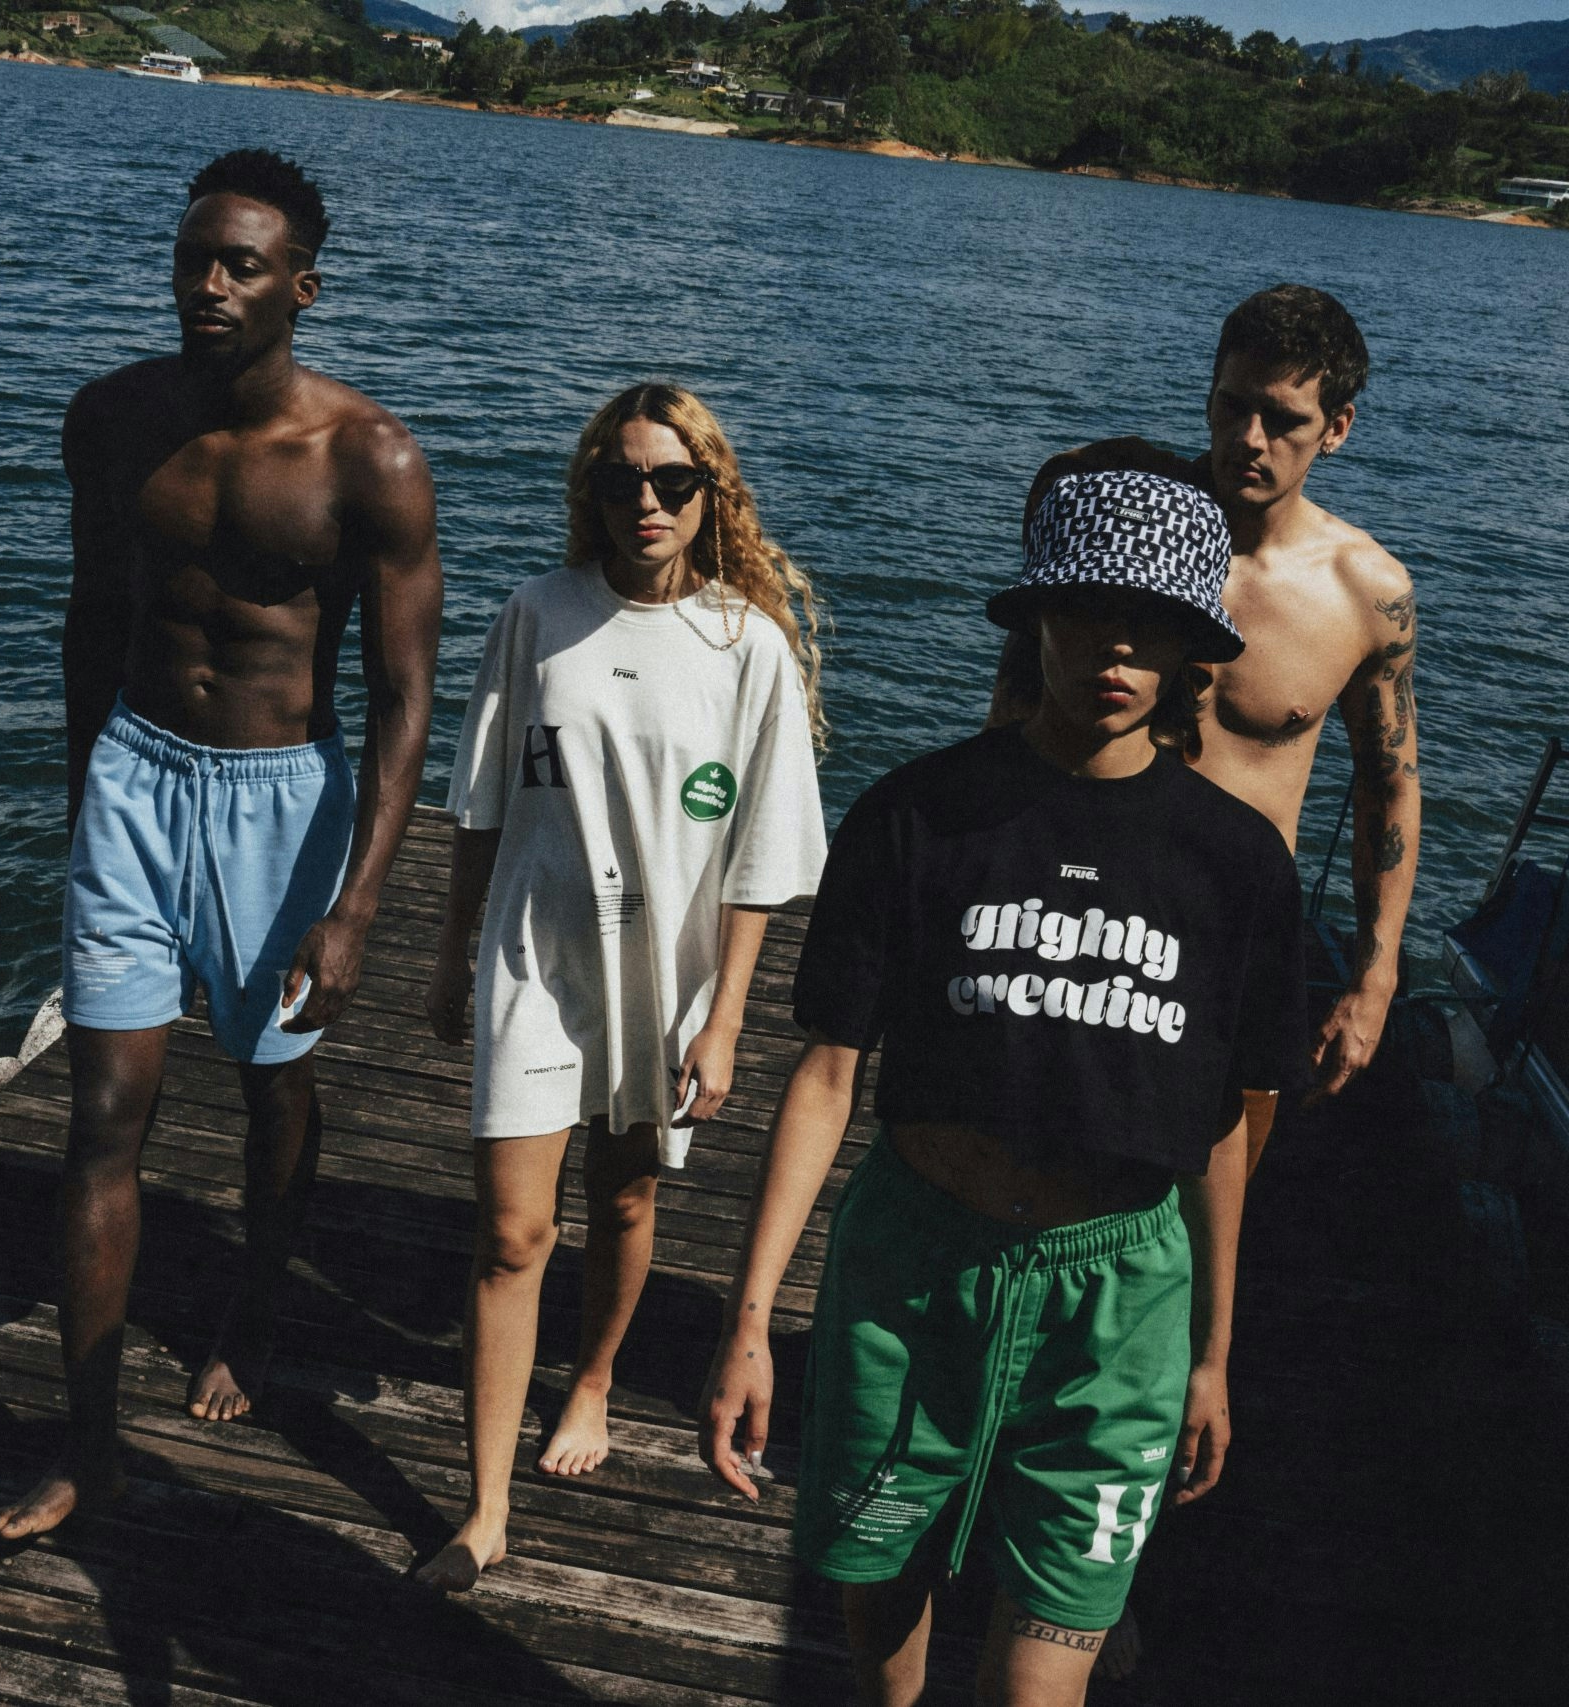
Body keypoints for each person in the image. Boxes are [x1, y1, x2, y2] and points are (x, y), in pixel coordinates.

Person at [704, 469, 1310, 1705]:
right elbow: (827, 1074)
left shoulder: (1236, 864)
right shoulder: (916, 815)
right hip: (912, 1274)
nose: (1116, 648)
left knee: (1040, 1682)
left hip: (1118, 1305)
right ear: (1036, 617)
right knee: (877, 1604)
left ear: (1194, 648)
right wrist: (750, 1320)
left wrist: (1212, 1351)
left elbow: (1228, 1124)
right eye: (1087, 610)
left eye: (1152, 623)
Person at [0, 149, 443, 1541]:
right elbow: (89, 616)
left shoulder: (368, 460)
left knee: (270, 1082)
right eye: (194, 257)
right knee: (102, 1113)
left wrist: (357, 904)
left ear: (302, 286)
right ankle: (90, 1445)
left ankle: (253, 1307)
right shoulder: (114, 421)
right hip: (134, 774)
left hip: (281, 799)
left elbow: (404, 696)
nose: (209, 284)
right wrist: (86, 794)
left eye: (242, 264)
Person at [417, 384, 827, 1591]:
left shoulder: (747, 645)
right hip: (533, 959)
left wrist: (727, 1016)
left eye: (671, 481)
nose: (645, 502)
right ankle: (485, 1509)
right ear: (590, 492)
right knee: (510, 1230)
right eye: (619, 480)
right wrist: (449, 949)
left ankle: (592, 1379)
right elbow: (481, 800)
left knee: (627, 1197)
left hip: (668, 973)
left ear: (710, 493)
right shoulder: (536, 614)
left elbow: (760, 856)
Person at [992, 284, 1419, 1166]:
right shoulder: (1117, 532)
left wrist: (1374, 979)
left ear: (1337, 428)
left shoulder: (1366, 593)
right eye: (1232, 406)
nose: (1249, 439)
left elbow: (1389, 785)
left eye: (1284, 419)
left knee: (1217, 1179)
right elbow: (1014, 718)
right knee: (1031, 1158)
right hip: (1087, 909)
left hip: (1239, 928)